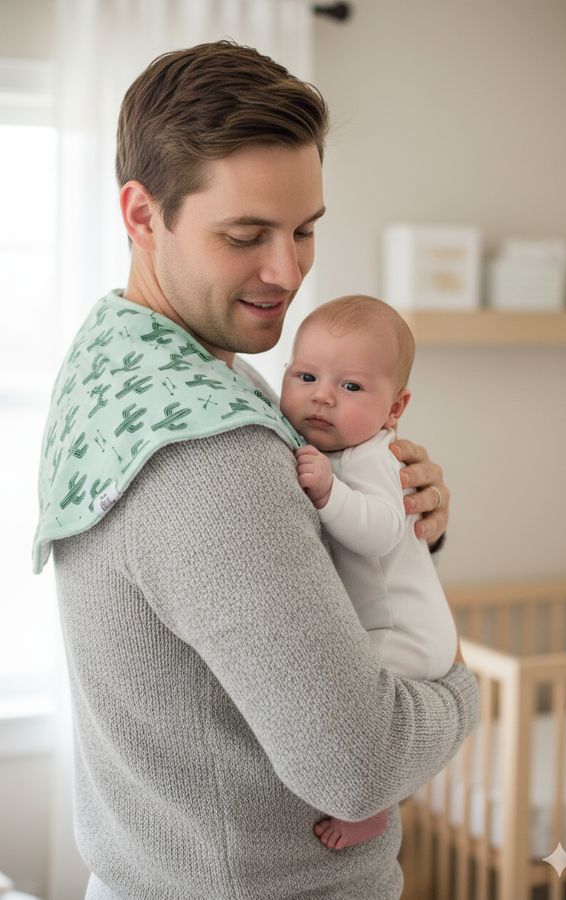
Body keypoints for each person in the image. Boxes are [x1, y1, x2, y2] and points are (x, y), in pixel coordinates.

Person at [34, 42, 478, 900]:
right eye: (246, 236)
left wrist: (405, 528)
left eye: (306, 229)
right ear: (141, 214)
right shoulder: (208, 450)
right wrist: (464, 688)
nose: (288, 272)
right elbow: (361, 765)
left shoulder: (130, 368)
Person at [280, 294, 459, 851]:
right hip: (385, 625)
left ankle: (370, 809)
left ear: (395, 408)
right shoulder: (331, 449)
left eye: (351, 387)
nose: (322, 396)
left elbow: (381, 529)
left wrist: (330, 494)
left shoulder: (372, 458)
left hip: (406, 633)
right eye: (305, 376)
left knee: (349, 705)